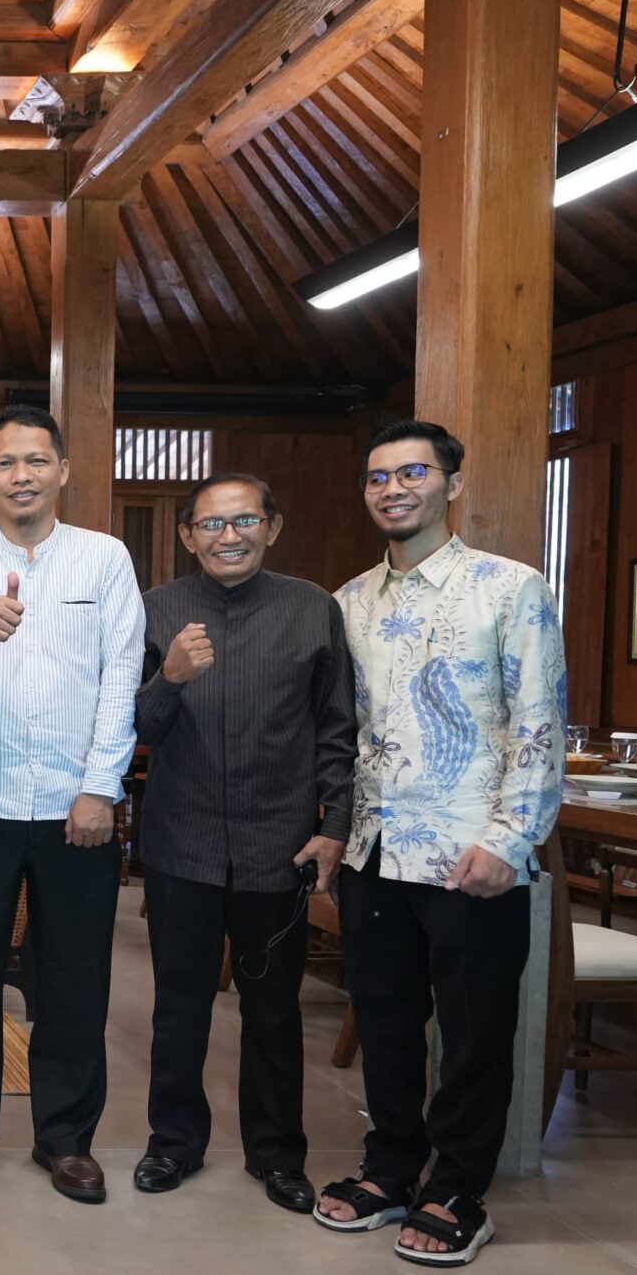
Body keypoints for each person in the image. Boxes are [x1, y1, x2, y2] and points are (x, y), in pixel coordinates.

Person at [315, 418, 565, 1268]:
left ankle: (458, 1186)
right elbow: (344, 734)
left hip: (471, 855)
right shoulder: (348, 601)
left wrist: (511, 838)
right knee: (385, 1020)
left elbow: (538, 722)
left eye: (412, 472)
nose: (393, 488)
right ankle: (390, 1167)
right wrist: (336, 831)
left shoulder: (510, 588)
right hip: (375, 848)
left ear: (452, 485)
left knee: (473, 1031)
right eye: (378, 476)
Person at [0, 405, 143, 1202]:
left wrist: (99, 787)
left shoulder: (104, 558)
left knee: (74, 976)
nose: (23, 475)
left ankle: (66, 1138)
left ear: (63, 471)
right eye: (7, 463)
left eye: (37, 460)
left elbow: (121, 679)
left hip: (74, 806)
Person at [133, 473, 355, 1213]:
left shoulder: (311, 608)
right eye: (212, 524)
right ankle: (173, 1142)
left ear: (272, 527)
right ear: (187, 536)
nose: (229, 536)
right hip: (182, 842)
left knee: (273, 1008)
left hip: (277, 844)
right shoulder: (159, 608)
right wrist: (169, 678)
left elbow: (337, 728)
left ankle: (278, 1153)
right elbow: (136, 728)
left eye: (244, 521)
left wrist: (335, 825)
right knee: (179, 1005)